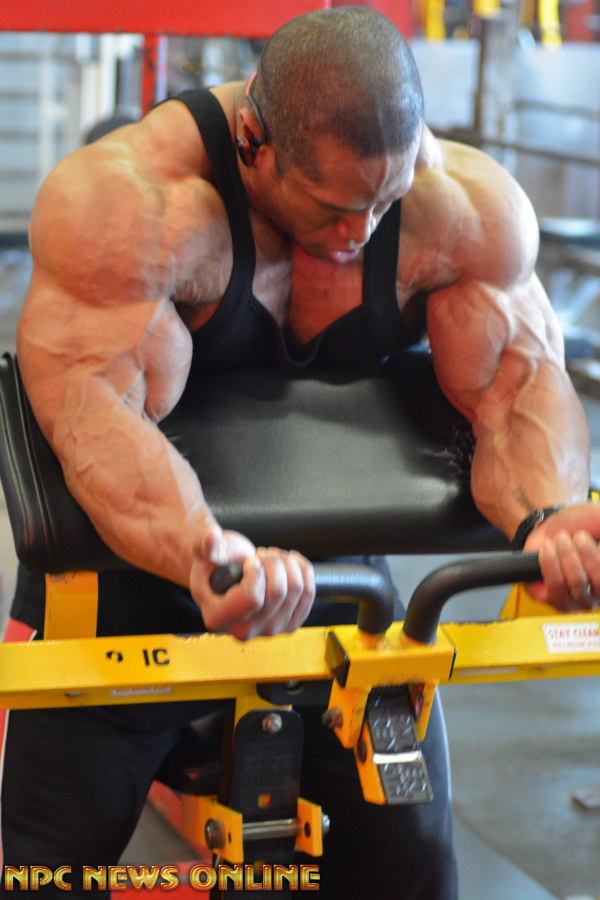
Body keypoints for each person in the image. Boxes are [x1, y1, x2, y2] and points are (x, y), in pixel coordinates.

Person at [2, 5, 599, 898]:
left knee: (411, 872)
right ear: (253, 141)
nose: (362, 234)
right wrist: (206, 554)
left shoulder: (462, 208)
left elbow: (517, 390)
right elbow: (95, 420)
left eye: (384, 201)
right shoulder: (131, 203)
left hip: (341, 594)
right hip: (125, 591)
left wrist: (549, 520)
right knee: (46, 874)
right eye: (334, 207)